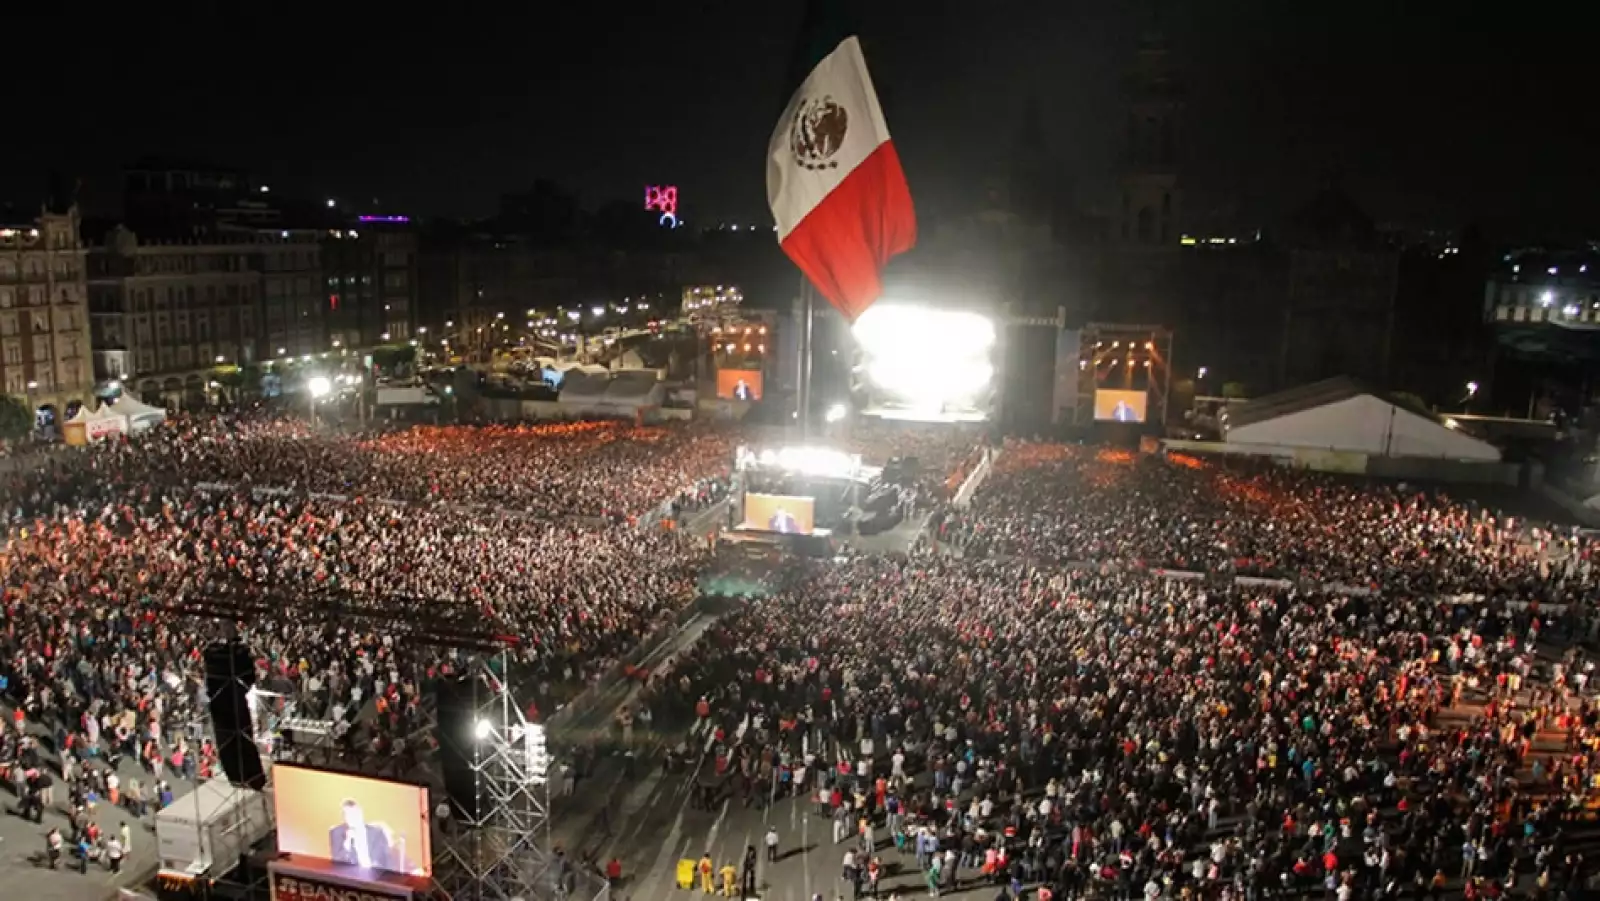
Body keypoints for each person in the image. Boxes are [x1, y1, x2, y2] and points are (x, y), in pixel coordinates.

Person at [328, 799, 392, 870]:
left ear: (361, 813)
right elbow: (336, 864)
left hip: (374, 872)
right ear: (344, 817)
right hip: (351, 874)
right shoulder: (337, 832)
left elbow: (385, 860)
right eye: (348, 815)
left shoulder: (377, 833)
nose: (352, 818)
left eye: (355, 814)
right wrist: (347, 845)